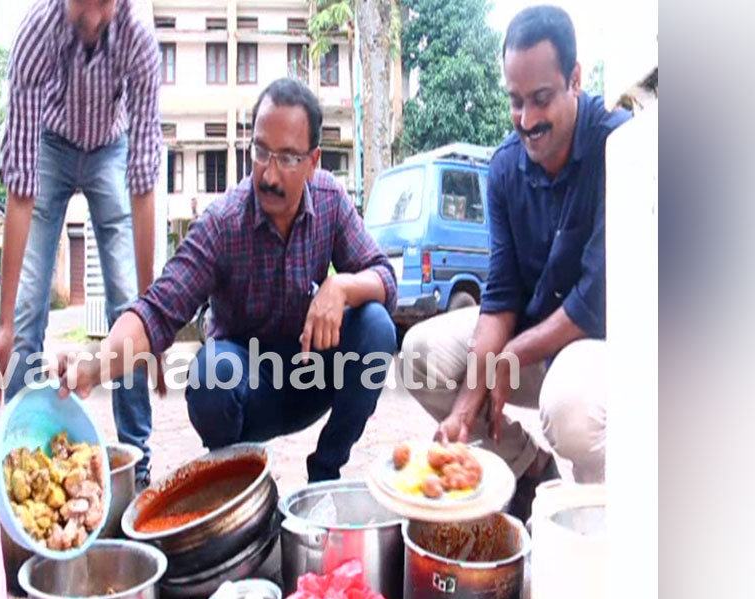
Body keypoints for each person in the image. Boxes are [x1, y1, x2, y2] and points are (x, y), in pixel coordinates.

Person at [57, 78, 398, 482]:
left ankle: (325, 473)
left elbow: (385, 279)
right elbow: (158, 311)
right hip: (245, 391)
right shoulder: (223, 223)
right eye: (261, 152)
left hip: (313, 378)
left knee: (376, 326)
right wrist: (93, 366)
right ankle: (238, 484)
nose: (269, 174)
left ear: (314, 161)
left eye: (288, 158)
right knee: (211, 374)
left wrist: (341, 286)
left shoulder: (330, 201)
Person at [400, 5, 631, 521]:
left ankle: (600, 520)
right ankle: (528, 471)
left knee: (571, 409)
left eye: (541, 99)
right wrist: (465, 408)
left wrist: (512, 355)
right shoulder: (505, 168)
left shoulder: (618, 144)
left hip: (605, 344)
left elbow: (596, 302)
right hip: (534, 343)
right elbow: (500, 298)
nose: (526, 120)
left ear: (575, 78)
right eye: (515, 102)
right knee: (419, 356)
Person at [0, 0, 163, 492]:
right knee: (27, 311)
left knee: (128, 301)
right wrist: (2, 325)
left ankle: (137, 463)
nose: (96, 17)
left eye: (108, 3)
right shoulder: (36, 35)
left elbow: (143, 187)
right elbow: (20, 192)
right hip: (50, 145)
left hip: (112, 146)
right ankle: (20, 460)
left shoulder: (138, 39)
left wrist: (150, 320)